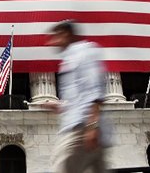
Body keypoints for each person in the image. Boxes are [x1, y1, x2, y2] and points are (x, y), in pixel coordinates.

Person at [46, 20, 108, 173]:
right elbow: (78, 96)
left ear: (66, 34)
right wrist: (61, 106)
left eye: (56, 37)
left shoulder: (84, 53)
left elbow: (94, 90)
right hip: (84, 127)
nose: (53, 42)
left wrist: (92, 127)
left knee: (61, 168)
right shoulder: (70, 58)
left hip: (80, 129)